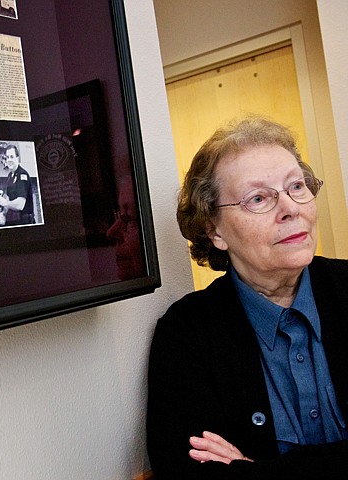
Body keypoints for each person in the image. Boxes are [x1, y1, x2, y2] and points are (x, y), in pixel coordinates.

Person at [146, 116, 348, 479]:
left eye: (297, 187)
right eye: (258, 198)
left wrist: (255, 470)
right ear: (214, 230)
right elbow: (183, 470)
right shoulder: (187, 333)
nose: (291, 208)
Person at [0, 145, 35, 225]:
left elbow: (20, 205)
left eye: (11, 157)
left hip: (25, 221)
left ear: (17, 158)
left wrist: (5, 203)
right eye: (7, 157)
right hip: (16, 220)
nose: (9, 160)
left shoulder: (22, 175)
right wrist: (2, 213)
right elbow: (8, 198)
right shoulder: (10, 176)